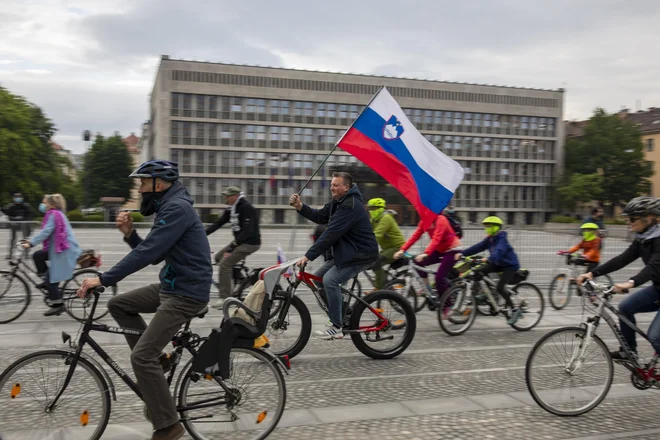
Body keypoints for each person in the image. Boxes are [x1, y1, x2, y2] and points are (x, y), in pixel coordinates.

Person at [77, 160, 212, 440]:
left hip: (186, 294)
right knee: (119, 305)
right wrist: (129, 235)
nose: (140, 188)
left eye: (143, 182)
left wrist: (104, 278)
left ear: (158, 185)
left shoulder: (176, 208)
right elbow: (157, 252)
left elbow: (148, 253)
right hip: (172, 285)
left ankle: (168, 425)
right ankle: (160, 360)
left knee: (141, 357)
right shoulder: (170, 205)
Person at [289, 172, 378, 339]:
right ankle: (343, 312)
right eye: (331, 184)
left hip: (361, 254)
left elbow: (331, 233)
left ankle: (336, 325)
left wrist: (308, 256)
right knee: (318, 279)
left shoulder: (350, 205)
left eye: (336, 185)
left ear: (346, 187)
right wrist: (300, 206)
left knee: (330, 281)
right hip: (347, 253)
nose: (332, 187)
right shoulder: (338, 202)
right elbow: (320, 216)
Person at [578, 196, 660, 361]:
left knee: (655, 337)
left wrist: (630, 283)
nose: (628, 222)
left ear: (648, 218)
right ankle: (629, 352)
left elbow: (654, 267)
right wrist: (592, 273)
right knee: (625, 308)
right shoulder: (643, 239)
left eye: (632, 218)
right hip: (658, 290)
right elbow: (622, 259)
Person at [454, 216, 522, 325]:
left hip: (510, 266)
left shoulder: (502, 239)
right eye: (486, 226)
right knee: (478, 272)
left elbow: (499, 251)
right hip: (497, 263)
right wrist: (462, 253)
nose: (487, 228)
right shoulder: (490, 239)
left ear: (496, 227)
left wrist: (489, 259)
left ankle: (515, 309)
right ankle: (487, 294)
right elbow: (478, 247)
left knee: (500, 287)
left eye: (489, 226)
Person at [21, 194, 81, 316]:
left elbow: (46, 232)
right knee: (38, 255)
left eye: (46, 203)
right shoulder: (54, 214)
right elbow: (46, 232)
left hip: (64, 251)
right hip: (58, 249)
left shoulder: (55, 215)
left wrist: (30, 243)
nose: (44, 205)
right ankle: (47, 281)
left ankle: (58, 305)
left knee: (51, 280)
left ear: (52, 205)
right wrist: (29, 241)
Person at [206, 186, 261, 309]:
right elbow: (219, 223)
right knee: (219, 257)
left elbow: (248, 231)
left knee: (225, 265)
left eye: (227, 196)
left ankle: (225, 298)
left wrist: (232, 246)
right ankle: (240, 279)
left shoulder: (246, 208)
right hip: (240, 241)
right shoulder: (232, 208)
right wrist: (202, 234)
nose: (225, 198)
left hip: (250, 243)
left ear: (234, 197)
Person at [393, 212, 461, 301]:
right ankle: (427, 288)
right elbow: (415, 236)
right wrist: (402, 250)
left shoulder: (441, 219)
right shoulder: (424, 221)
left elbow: (437, 238)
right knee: (418, 262)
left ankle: (446, 304)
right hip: (439, 250)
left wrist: (426, 253)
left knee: (439, 278)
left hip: (452, 250)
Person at [367, 198, 405, 290]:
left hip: (397, 248)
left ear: (380, 208)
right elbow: (365, 231)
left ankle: (379, 288)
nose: (371, 211)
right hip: (388, 249)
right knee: (372, 262)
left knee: (377, 262)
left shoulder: (386, 218)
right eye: (370, 209)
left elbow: (377, 234)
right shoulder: (374, 220)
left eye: (373, 208)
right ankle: (387, 286)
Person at [2, 192, 33, 259]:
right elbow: (6, 212)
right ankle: (10, 254)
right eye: (16, 197)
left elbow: (30, 214)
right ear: (13, 198)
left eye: (19, 197)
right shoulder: (11, 206)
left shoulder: (26, 206)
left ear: (22, 198)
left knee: (25, 239)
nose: (18, 198)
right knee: (13, 239)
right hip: (15, 223)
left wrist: (26, 221)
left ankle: (26, 254)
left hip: (24, 223)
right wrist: (13, 219)